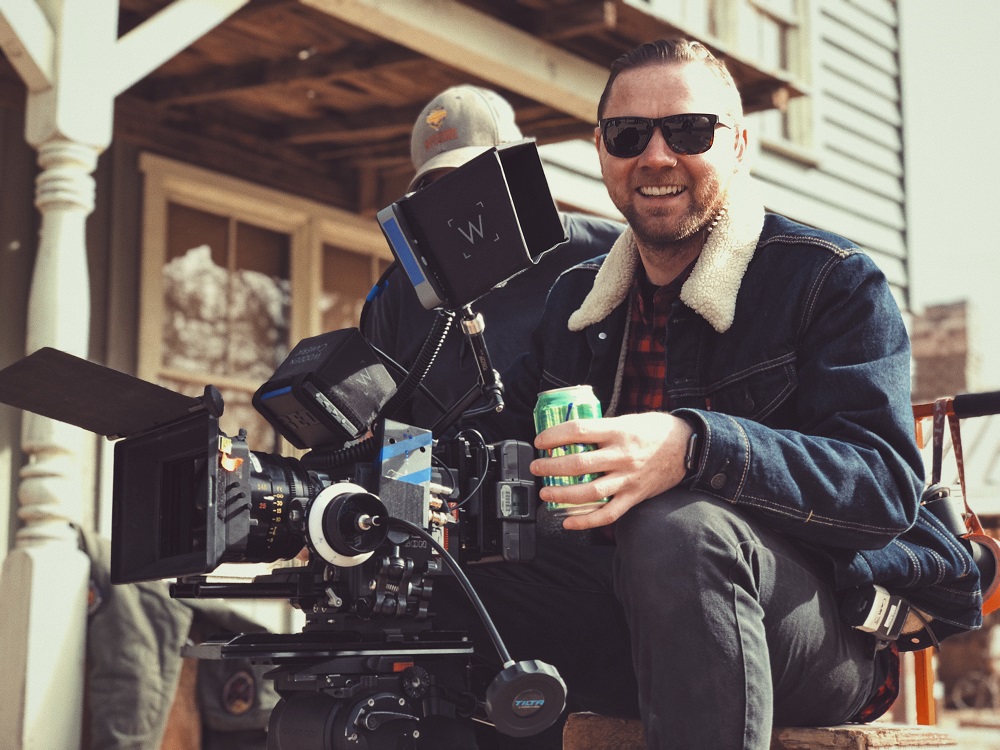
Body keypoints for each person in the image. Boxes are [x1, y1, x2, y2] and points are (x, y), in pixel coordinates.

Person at [430, 38, 984, 750]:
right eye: (629, 135)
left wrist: (693, 447)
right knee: (423, 581)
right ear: (601, 149)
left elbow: (883, 487)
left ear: (739, 143)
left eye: (689, 131)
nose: (656, 156)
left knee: (679, 529)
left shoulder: (832, 280)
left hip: (817, 632)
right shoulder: (575, 298)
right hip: (626, 612)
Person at [362, 84, 624, 430]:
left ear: (514, 167)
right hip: (442, 483)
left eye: (467, 179)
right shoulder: (400, 291)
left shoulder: (608, 251)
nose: (453, 202)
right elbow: (390, 427)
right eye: (433, 190)